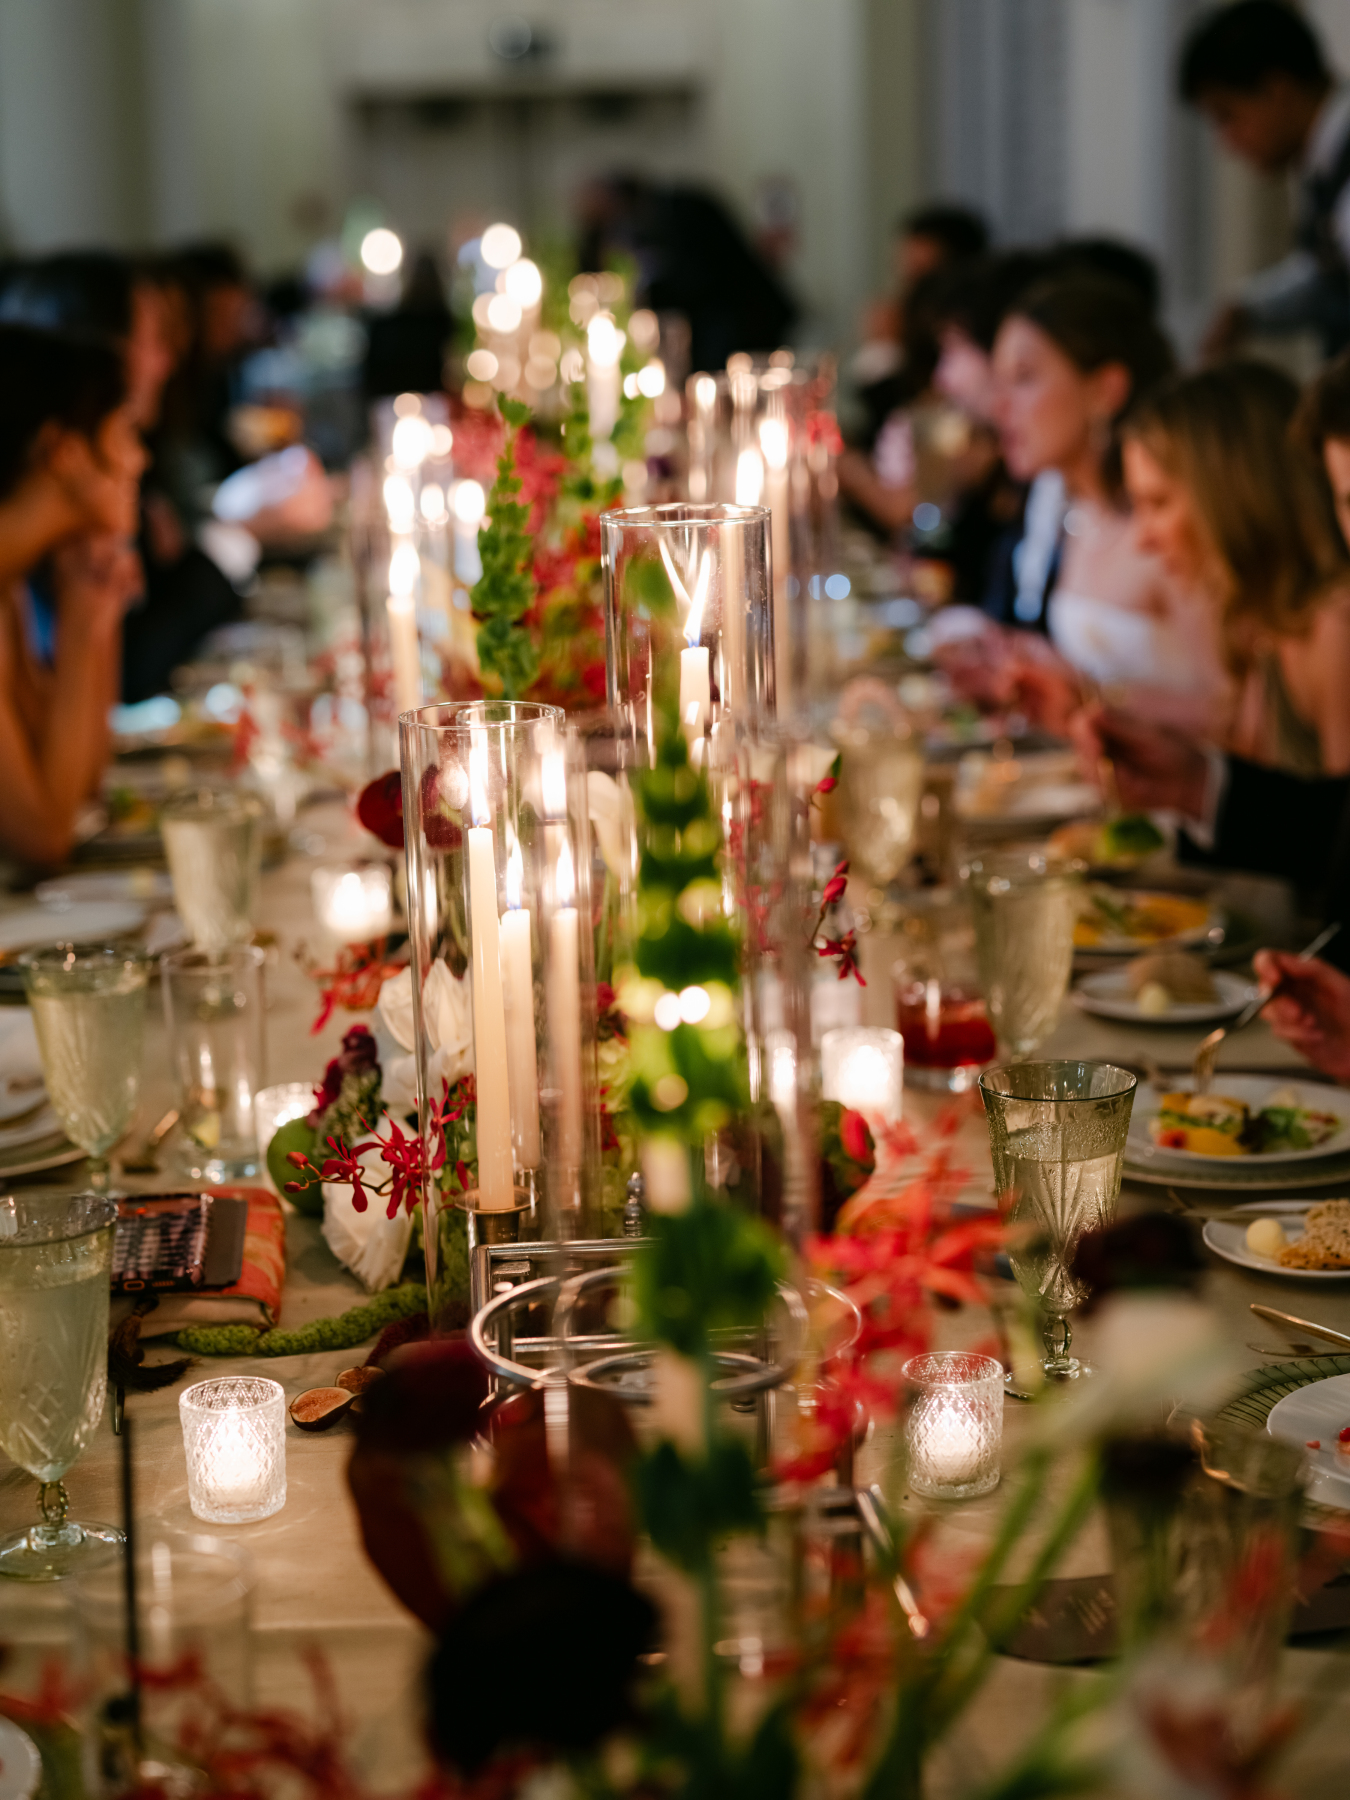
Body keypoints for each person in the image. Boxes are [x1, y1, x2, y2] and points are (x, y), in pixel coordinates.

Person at [1122, 360, 1350, 773]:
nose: (1142, 539)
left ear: (1233, 496)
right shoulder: (1261, 622)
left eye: (1157, 504)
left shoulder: (1333, 628)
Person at [0, 325, 145, 865]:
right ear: (63, 450)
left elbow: (81, 786)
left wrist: (95, 616)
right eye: (127, 433)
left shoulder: (10, 586)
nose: (140, 459)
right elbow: (43, 839)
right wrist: (82, 631)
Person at [1179, 1, 1350, 357]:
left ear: (1277, 91)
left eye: (1227, 116)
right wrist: (1249, 310)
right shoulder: (1324, 165)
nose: (1227, 142)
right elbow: (1328, 271)